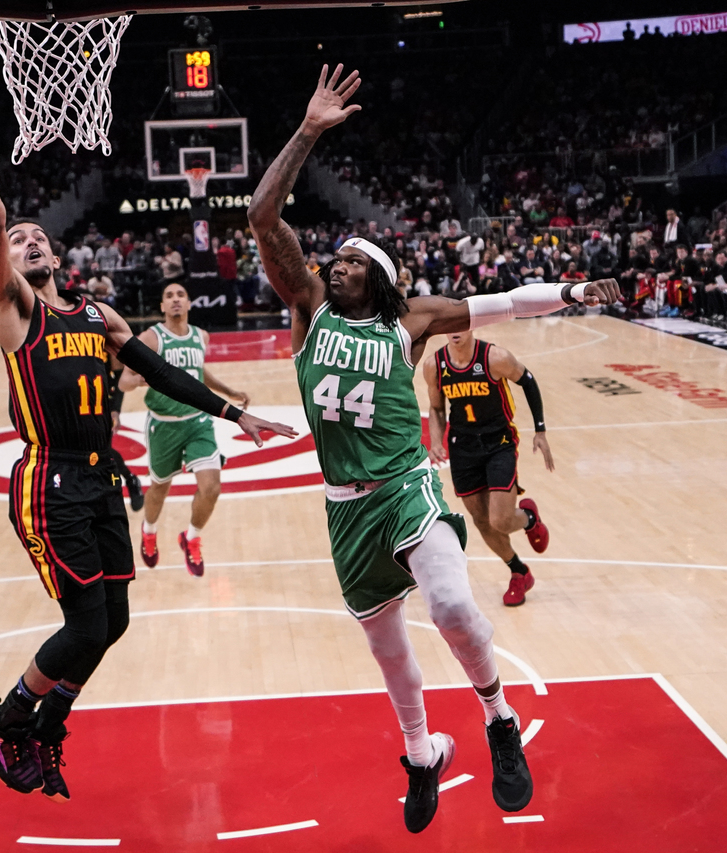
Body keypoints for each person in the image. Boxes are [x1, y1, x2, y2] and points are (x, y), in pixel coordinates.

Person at [247, 64, 618, 834]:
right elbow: (261, 213)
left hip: (406, 487)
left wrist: (573, 293)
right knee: (388, 651)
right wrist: (308, 130)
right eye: (336, 257)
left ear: (380, 279)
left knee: (450, 604)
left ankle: (498, 717)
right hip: (344, 509)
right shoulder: (309, 306)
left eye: (353, 260)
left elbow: (504, 303)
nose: (336, 263)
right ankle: (423, 754)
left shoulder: (408, 322)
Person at [0, 75, 295, 802]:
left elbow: (161, 372)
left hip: (97, 475)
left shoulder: (98, 316)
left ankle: (46, 724)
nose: (27, 240)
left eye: (38, 237)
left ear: (58, 257)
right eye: (19, 239)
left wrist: (233, 414)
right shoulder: (15, 306)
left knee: (114, 619)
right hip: (49, 480)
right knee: (86, 624)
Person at [120, 282, 250, 576]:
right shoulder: (150, 339)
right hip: (163, 426)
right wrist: (138, 380)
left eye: (181, 295)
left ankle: (191, 538)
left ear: (190, 303)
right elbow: (124, 380)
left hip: (197, 422)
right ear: (162, 306)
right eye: (169, 296)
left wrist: (228, 391)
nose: (175, 299)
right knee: (159, 488)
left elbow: (198, 371)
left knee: (211, 487)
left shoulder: (201, 336)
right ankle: (149, 531)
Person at [424, 331, 553, 607]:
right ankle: (519, 571)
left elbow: (528, 380)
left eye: (461, 324)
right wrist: (435, 440)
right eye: (451, 325)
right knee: (481, 520)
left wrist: (540, 431)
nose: (455, 330)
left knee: (501, 520)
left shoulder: (495, 357)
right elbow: (436, 409)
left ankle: (529, 518)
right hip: (462, 446)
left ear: (471, 326)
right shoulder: (434, 365)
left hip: (499, 442)